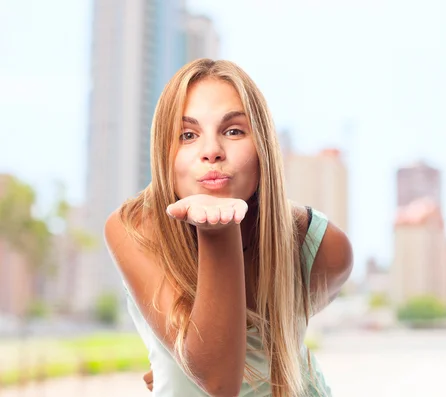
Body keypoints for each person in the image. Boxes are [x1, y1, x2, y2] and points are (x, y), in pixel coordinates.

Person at [104, 58, 353, 397]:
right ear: (165, 153)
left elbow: (274, 344)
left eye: (233, 131)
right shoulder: (135, 227)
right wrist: (173, 362)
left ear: (263, 145)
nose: (211, 151)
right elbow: (218, 382)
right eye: (188, 135)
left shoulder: (322, 247)